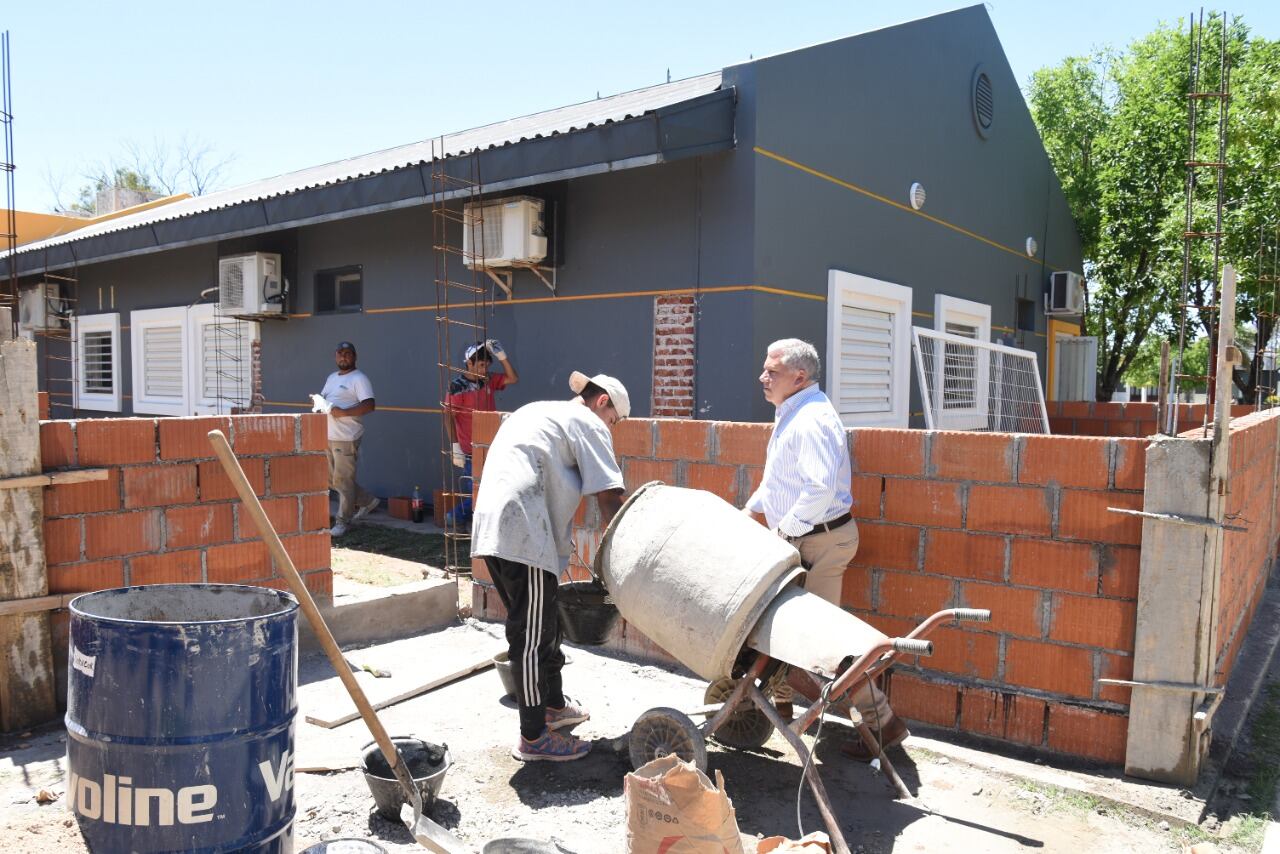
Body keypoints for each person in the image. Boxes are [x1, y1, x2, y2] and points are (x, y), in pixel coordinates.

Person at [743, 338, 907, 761]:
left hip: (819, 540)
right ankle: (776, 706)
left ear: (799, 376)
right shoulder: (792, 413)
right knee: (777, 625)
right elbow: (782, 479)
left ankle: (884, 722)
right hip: (808, 537)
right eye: (764, 368)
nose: (763, 377)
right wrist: (752, 509)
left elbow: (819, 489)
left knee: (824, 644)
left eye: (772, 371)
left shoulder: (811, 419)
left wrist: (786, 534)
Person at [472, 371, 629, 762]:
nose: (610, 429)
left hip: (500, 525)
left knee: (545, 625)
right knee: (529, 635)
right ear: (603, 402)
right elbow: (610, 498)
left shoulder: (540, 411)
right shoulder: (587, 422)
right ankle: (534, 736)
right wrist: (631, 554)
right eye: (614, 421)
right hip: (525, 530)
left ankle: (554, 705)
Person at [444, 339, 518, 527]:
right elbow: (448, 417)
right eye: (481, 365)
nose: (484, 369)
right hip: (469, 448)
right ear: (469, 363)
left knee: (487, 489)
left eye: (487, 365)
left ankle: (465, 520)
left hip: (491, 444)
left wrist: (503, 357)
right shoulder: (457, 387)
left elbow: (512, 378)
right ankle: (455, 518)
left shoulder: (488, 380)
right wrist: (455, 446)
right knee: (478, 492)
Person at [318, 341, 378, 538]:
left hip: (346, 437)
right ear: (335, 356)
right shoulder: (331, 377)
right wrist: (319, 403)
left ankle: (343, 521)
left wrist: (343, 412)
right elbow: (326, 398)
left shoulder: (359, 379)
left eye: (348, 353)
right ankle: (368, 501)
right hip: (328, 434)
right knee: (331, 479)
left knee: (343, 480)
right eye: (340, 353)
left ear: (354, 357)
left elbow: (369, 405)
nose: (343, 357)